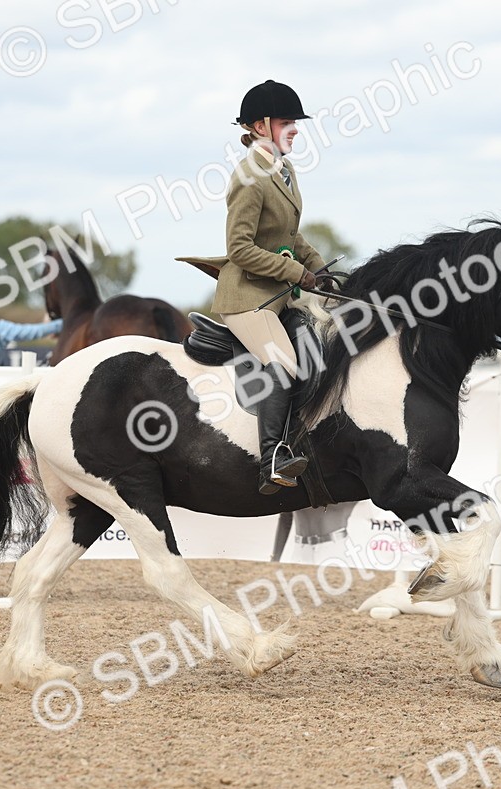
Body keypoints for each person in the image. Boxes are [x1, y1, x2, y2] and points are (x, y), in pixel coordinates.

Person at [215, 79, 328, 495]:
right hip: (247, 298)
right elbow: (239, 249)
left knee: (322, 349)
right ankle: (273, 459)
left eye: (294, 122)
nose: (295, 129)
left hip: (278, 298)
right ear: (261, 126)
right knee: (281, 363)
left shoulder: (284, 170)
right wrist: (297, 274)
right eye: (286, 122)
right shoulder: (249, 177)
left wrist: (323, 269)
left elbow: (292, 236)